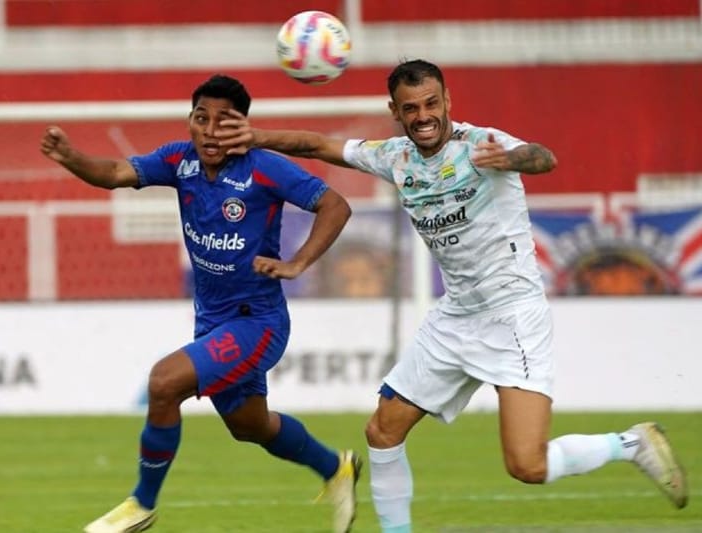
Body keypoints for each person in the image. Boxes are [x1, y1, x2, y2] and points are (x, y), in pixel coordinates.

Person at [215, 59, 688, 532]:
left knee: (528, 465)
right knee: (382, 430)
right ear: (395, 111)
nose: (423, 116)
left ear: (447, 101)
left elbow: (543, 157)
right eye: (411, 108)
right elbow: (317, 145)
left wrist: (512, 160)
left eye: (431, 104)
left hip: (513, 316)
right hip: (456, 316)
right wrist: (255, 137)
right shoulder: (394, 156)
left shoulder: (483, 144)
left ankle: (632, 444)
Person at [40, 74, 361, 533]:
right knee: (250, 427)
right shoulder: (179, 161)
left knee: (164, 383)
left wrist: (298, 263)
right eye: (201, 118)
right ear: (189, 121)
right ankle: (336, 468)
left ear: (242, 126)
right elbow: (113, 173)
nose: (210, 131)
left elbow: (335, 205)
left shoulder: (265, 168)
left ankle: (141, 505)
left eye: (224, 121)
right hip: (212, 322)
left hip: (258, 322)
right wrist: (70, 157)